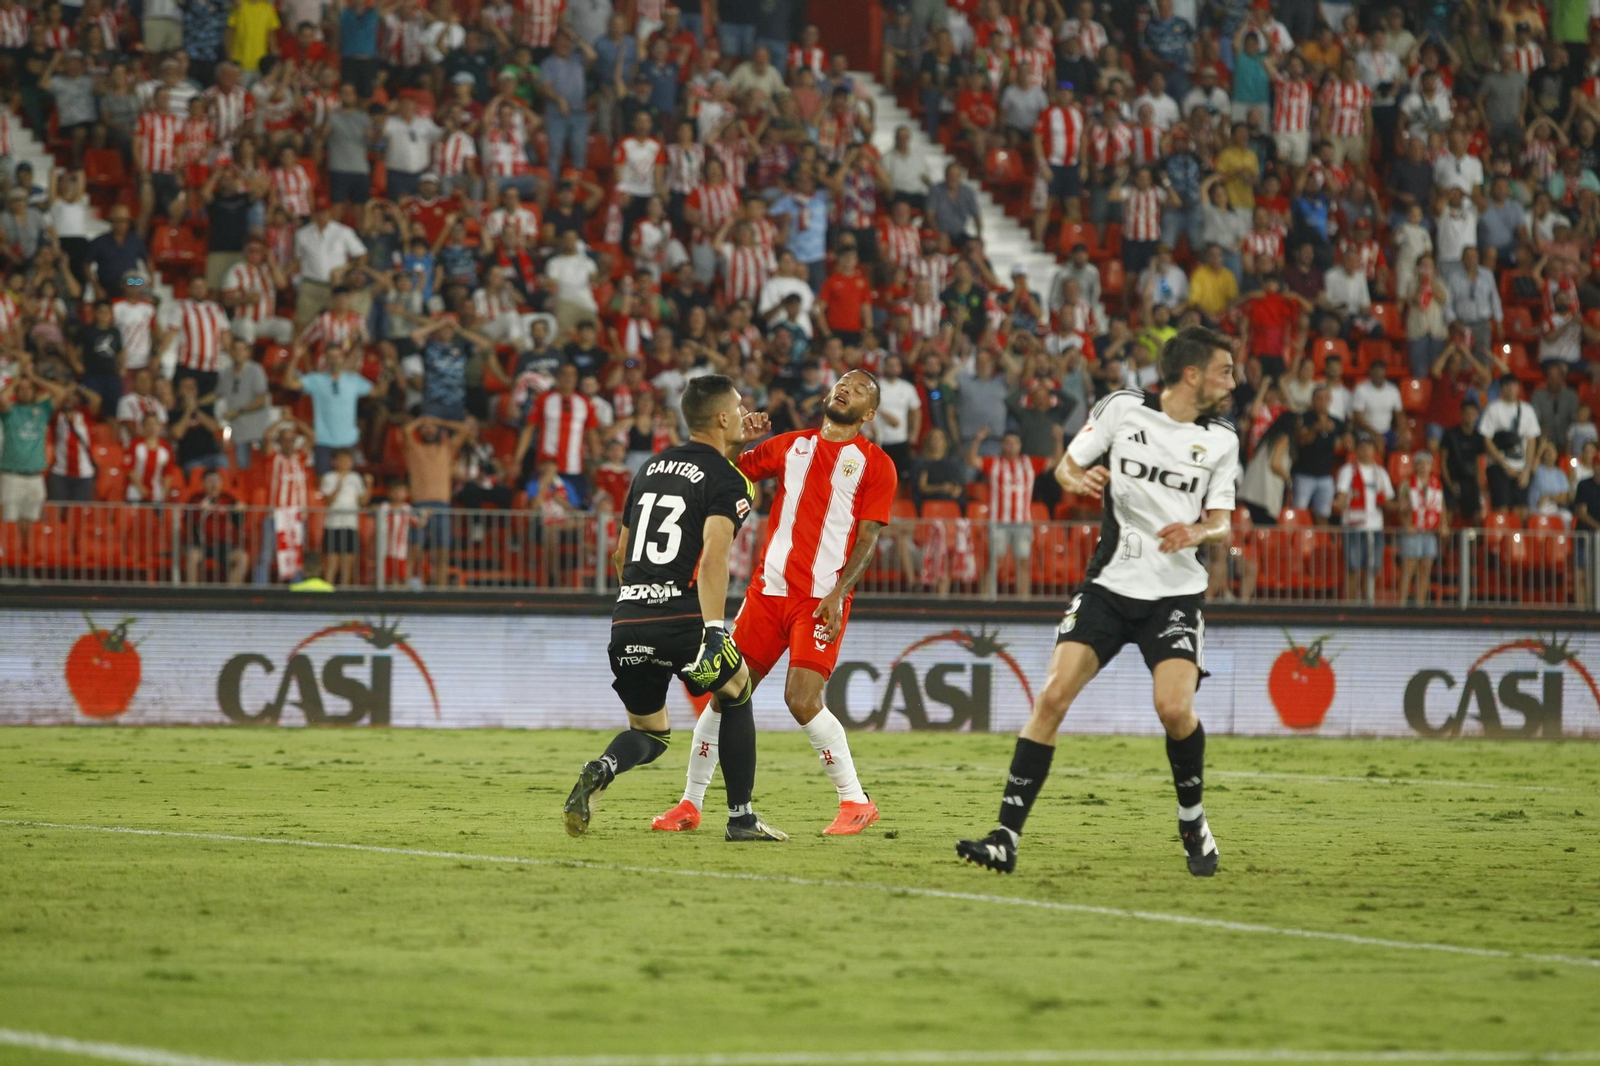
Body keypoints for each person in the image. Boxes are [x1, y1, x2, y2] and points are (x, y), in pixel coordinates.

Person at [956, 327, 1240, 877]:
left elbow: (1223, 524)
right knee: (1053, 696)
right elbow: (1064, 466)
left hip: (1175, 593)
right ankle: (1005, 837)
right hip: (1109, 585)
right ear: (1192, 374)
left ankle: (1193, 818)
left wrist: (1196, 532)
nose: (1233, 381)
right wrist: (1079, 479)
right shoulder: (1123, 408)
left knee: (1174, 709)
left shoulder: (1222, 440)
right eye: (1225, 370)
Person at [651, 370, 895, 837]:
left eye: (860, 389)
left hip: (818, 599)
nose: (846, 388)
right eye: (843, 382)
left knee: (801, 700)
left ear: (868, 414)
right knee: (723, 693)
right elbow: (723, 472)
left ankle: (856, 801)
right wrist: (740, 441)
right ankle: (690, 804)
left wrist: (840, 592)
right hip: (768, 594)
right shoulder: (790, 446)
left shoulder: (875, 463)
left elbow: (868, 537)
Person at [562, 374, 783, 842]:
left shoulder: (650, 467)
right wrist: (715, 629)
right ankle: (741, 817)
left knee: (652, 732)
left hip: (628, 618)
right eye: (740, 406)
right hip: (683, 619)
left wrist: (639, 606)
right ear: (722, 417)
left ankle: (603, 767)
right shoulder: (732, 480)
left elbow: (621, 555)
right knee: (737, 690)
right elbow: (715, 555)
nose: (746, 413)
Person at [1334, 433, 1393, 603]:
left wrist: (1403, 505)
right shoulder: (1347, 470)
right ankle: (1352, 605)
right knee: (1353, 568)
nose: (1365, 449)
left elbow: (1387, 500)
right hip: (1353, 526)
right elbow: (1342, 494)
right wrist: (1339, 503)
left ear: (1374, 449)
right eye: (1361, 446)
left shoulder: (1380, 472)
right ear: (1357, 449)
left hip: (1374, 526)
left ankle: (1369, 605)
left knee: (1371, 569)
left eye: (1368, 446)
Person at [1479, 375, 1541, 515]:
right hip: (1498, 466)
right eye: (1507, 385)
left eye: (1513, 385)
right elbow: (1487, 440)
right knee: (1502, 509)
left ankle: (1517, 537)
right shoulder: (1493, 409)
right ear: (1502, 388)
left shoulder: (1527, 410)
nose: (1510, 388)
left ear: (1518, 388)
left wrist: (1527, 470)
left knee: (1522, 510)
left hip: (1521, 467)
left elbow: (1531, 440)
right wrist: (1504, 465)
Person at [184, 468, 249, 585]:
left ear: (221, 483)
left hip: (223, 546)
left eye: (217, 480)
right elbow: (187, 521)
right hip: (202, 545)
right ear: (203, 483)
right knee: (192, 556)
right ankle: (191, 595)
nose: (214, 484)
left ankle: (231, 596)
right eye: (210, 481)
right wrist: (199, 510)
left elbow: (238, 523)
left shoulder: (228, 499)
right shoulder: (195, 499)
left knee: (242, 558)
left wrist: (240, 511)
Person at [1397, 450, 1446, 606]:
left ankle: (1420, 603)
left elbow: (1441, 506)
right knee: (1409, 569)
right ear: (1415, 466)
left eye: (1427, 463)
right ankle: (1401, 604)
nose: (1423, 467)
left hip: (1429, 531)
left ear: (1431, 466)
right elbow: (1402, 507)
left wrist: (1443, 524)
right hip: (1413, 531)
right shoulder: (1407, 484)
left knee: (1425, 568)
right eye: (1420, 463)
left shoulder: (1436, 484)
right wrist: (1406, 524)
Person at [320, 448, 372, 587]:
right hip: (333, 524)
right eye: (342, 460)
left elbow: (363, 502)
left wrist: (369, 485)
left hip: (351, 524)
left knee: (348, 561)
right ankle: (328, 589)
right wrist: (339, 484)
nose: (345, 463)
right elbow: (327, 501)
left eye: (348, 460)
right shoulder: (329, 477)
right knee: (332, 561)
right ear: (334, 462)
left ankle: (345, 590)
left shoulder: (355, 478)